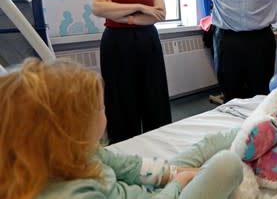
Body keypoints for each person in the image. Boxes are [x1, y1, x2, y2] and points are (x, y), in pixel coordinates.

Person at [0, 57, 243, 199]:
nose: (106, 111)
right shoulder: (73, 194)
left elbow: (129, 166)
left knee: (203, 146)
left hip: (149, 189)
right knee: (226, 165)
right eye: (101, 108)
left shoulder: (80, 149)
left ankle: (253, 125)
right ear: (72, 127)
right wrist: (178, 184)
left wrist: (170, 173)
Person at [90, 0, 171, 143]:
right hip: (116, 43)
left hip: (148, 41)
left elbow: (161, 13)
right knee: (121, 98)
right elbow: (98, 7)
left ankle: (160, 145)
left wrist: (125, 16)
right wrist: (141, 7)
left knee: (153, 95)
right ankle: (125, 149)